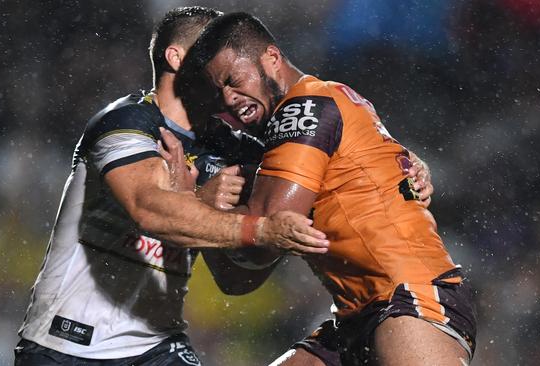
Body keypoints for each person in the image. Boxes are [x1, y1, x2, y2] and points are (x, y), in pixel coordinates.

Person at [13, 7, 331, 366]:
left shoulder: (231, 147)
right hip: (66, 343)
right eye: (209, 46)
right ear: (175, 57)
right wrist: (242, 220)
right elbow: (148, 208)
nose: (222, 57)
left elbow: (235, 281)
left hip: (157, 345)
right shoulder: (127, 121)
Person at [176, 12, 478, 366]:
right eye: (218, 91)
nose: (228, 98)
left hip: (409, 299)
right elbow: (237, 278)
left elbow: (267, 231)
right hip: (358, 315)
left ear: (271, 58)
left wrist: (190, 207)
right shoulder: (321, 103)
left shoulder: (305, 109)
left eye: (233, 79)